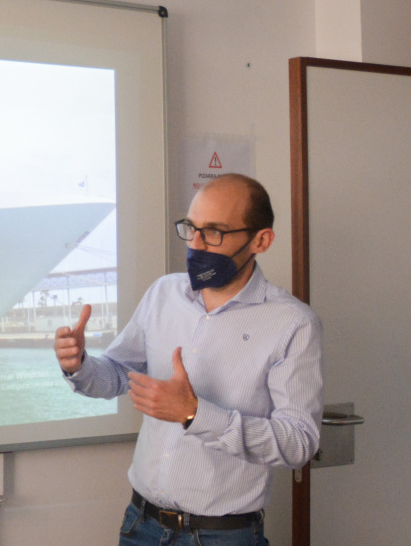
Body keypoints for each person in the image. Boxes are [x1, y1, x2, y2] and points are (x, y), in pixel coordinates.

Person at [55, 174, 322, 545]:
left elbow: (298, 443)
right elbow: (117, 375)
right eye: (191, 228)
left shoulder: (292, 323)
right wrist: (79, 364)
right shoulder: (164, 293)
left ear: (261, 240)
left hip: (223, 536)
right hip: (141, 525)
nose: (196, 244)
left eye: (214, 232)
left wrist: (195, 415)